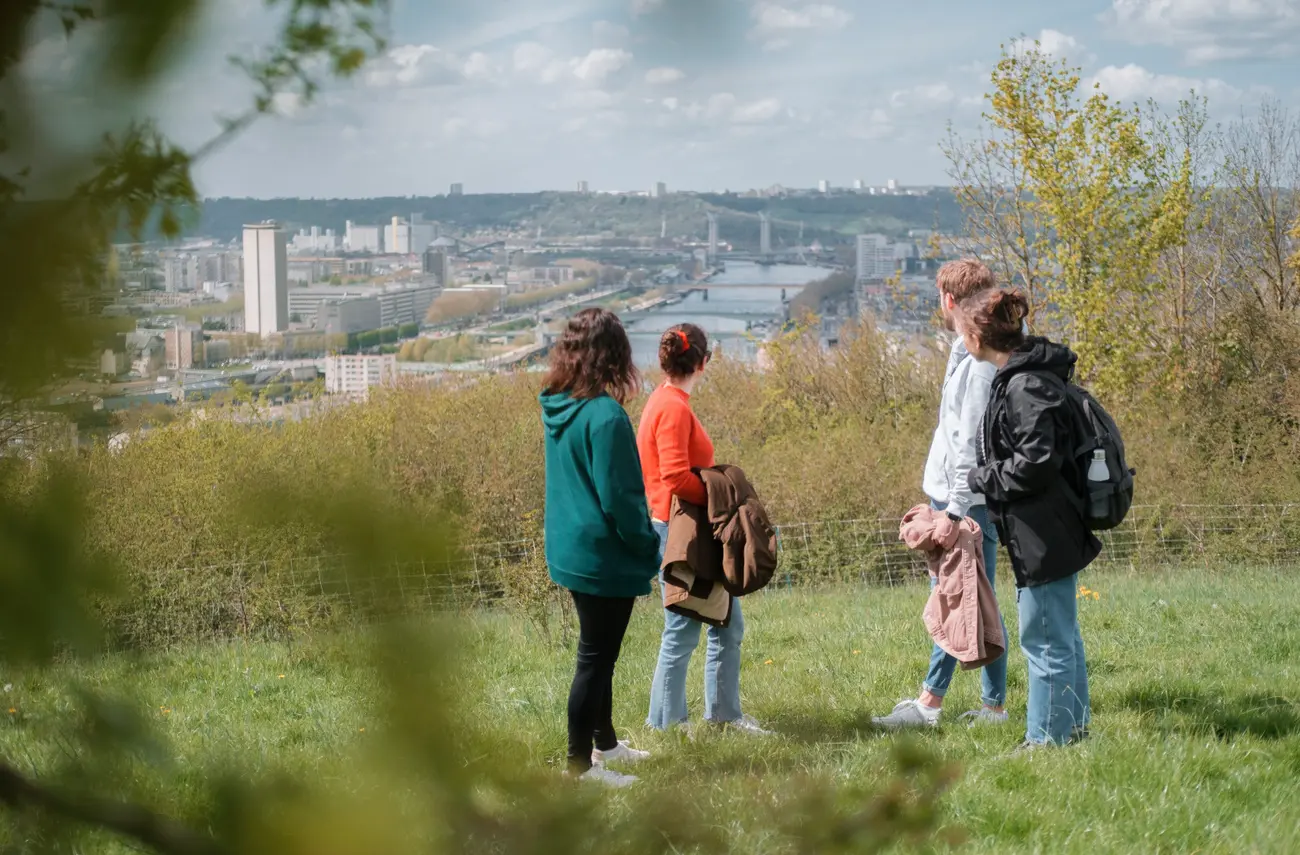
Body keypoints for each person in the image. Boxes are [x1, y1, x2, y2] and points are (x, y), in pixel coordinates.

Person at [956, 288, 1101, 748]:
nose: (960, 341)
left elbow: (1037, 461)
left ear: (979, 335)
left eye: (962, 332)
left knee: (1043, 638)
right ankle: (1072, 728)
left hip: (1041, 528)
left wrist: (984, 478)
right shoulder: (1024, 375)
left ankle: (1046, 740)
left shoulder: (1026, 384)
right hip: (1048, 524)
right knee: (1060, 633)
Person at [874, 258, 1010, 730]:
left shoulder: (978, 362)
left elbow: (969, 438)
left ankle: (929, 705)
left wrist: (952, 509)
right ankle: (993, 707)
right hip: (962, 498)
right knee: (975, 597)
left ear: (948, 300)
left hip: (964, 502)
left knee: (955, 598)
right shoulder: (966, 346)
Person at [540, 308, 660, 786]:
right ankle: (578, 766)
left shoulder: (556, 402)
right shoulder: (606, 416)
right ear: (615, 354)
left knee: (600, 654)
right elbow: (622, 500)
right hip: (602, 555)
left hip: (569, 547)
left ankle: (605, 743)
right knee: (594, 659)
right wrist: (649, 544)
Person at [639, 323, 770, 735]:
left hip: (684, 527)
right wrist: (720, 495)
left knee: (727, 623)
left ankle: (724, 716)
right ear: (703, 362)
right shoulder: (674, 408)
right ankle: (667, 725)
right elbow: (676, 476)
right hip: (680, 532)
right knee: (682, 628)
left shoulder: (663, 399)